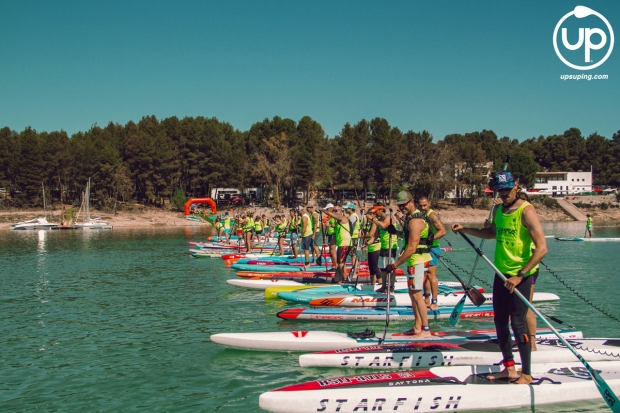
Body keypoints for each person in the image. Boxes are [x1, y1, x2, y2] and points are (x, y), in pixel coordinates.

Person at [451, 170, 548, 385]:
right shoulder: (497, 209)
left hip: (521, 274)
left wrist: (521, 275)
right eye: (499, 190)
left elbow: (542, 249)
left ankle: (527, 373)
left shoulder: (526, 210)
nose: (503, 194)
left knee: (518, 323)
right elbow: (491, 233)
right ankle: (509, 368)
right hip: (501, 273)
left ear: (516, 186)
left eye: (506, 189)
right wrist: (465, 229)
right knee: (499, 322)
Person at [382, 191, 433, 337]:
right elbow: (407, 237)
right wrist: (395, 232)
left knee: (417, 295)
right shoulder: (410, 219)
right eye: (400, 205)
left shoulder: (416, 221)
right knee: (412, 294)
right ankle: (417, 327)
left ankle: (426, 330)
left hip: (418, 262)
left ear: (411, 201)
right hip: (413, 261)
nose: (402, 207)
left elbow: (411, 248)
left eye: (404, 204)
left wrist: (394, 265)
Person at [417, 196, 447, 311]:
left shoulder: (432, 215)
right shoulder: (421, 215)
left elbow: (443, 231)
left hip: (433, 248)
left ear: (429, 204)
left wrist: (430, 239)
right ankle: (426, 299)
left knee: (431, 275)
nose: (423, 207)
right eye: (421, 206)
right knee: (425, 275)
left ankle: (434, 302)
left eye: (425, 205)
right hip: (425, 248)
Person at [371, 206, 399, 293]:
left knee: (390, 267)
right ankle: (383, 286)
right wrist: (367, 243)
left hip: (391, 246)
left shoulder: (388, 217)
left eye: (376, 211)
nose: (375, 214)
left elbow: (383, 226)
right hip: (383, 246)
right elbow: (376, 235)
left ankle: (391, 287)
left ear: (380, 210)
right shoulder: (380, 220)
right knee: (382, 268)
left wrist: (373, 220)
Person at [323, 205, 353, 283]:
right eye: (333, 211)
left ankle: (344, 279)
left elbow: (330, 214)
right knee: (341, 262)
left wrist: (324, 211)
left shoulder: (343, 218)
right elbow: (336, 236)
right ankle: (341, 278)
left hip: (345, 243)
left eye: (336, 211)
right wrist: (329, 244)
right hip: (342, 243)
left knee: (340, 263)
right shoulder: (338, 222)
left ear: (341, 211)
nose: (334, 212)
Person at [362, 206, 383, 285]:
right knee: (370, 266)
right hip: (370, 246)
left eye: (370, 214)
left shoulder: (375, 223)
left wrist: (361, 236)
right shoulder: (368, 223)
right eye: (368, 214)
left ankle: (380, 282)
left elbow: (371, 234)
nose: (368, 215)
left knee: (375, 265)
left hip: (376, 246)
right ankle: (372, 283)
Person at [323, 203, 338, 271]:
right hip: (330, 234)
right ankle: (333, 265)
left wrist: (329, 225)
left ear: (331, 209)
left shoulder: (335, 216)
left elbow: (337, 226)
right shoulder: (331, 216)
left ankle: (336, 266)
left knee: (333, 251)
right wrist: (326, 234)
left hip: (333, 234)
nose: (326, 211)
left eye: (327, 209)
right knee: (330, 251)